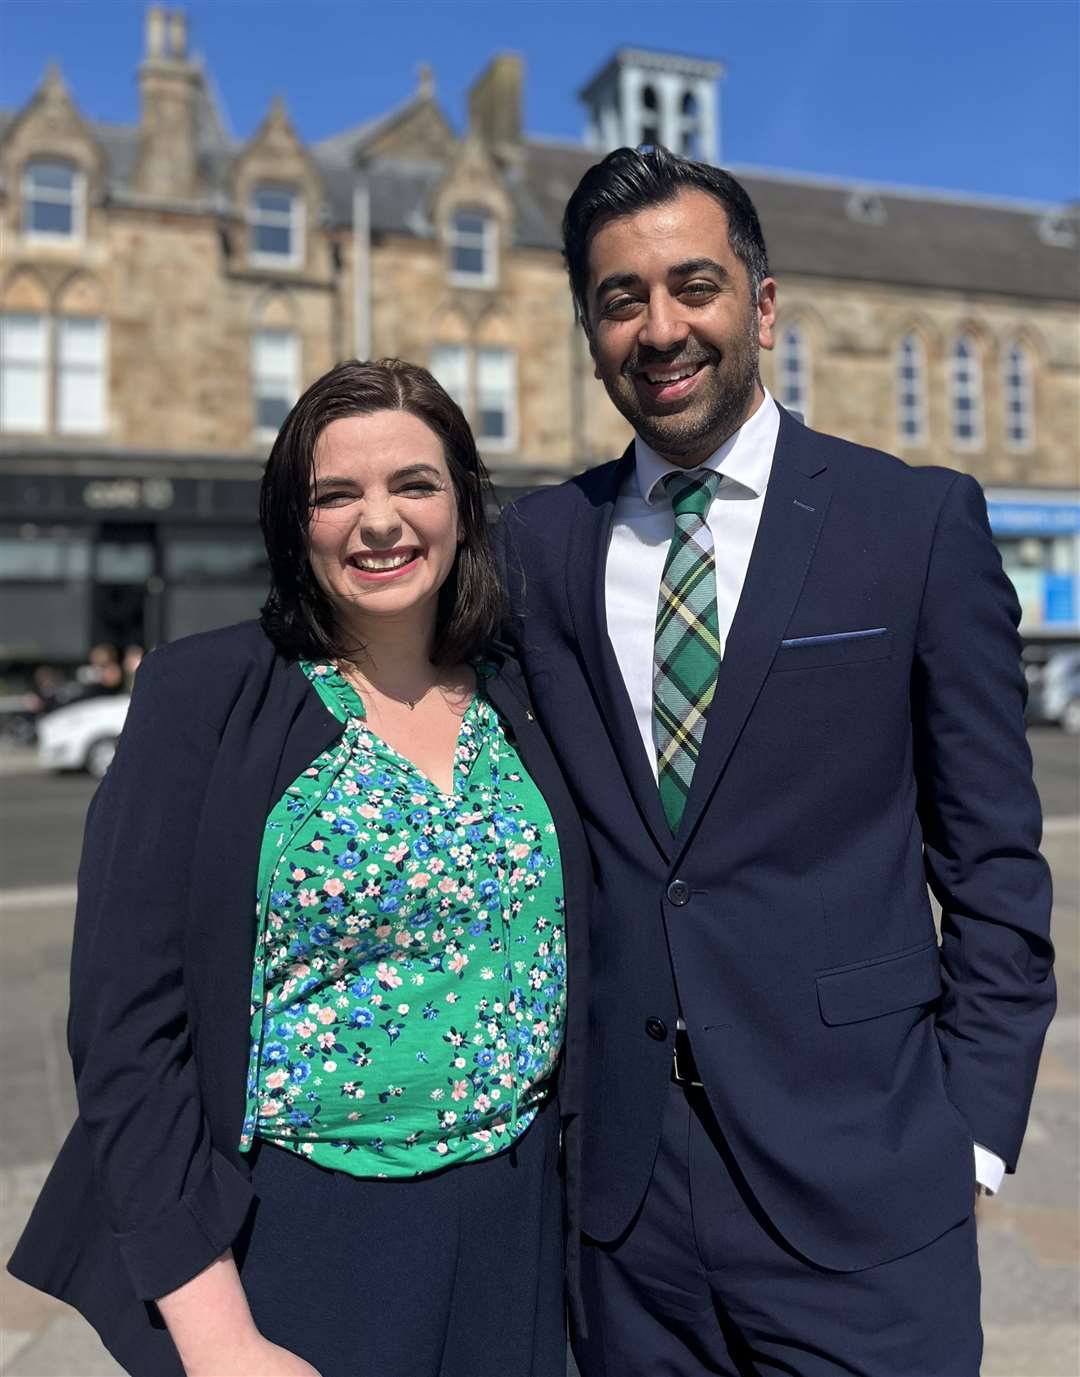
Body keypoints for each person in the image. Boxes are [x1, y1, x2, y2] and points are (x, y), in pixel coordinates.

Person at [500, 146, 1054, 1376]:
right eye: (620, 299)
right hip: (627, 1212)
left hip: (865, 1180)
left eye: (693, 285)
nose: (660, 328)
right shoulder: (539, 546)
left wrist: (965, 1139)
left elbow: (996, 866)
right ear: (591, 331)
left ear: (760, 302)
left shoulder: (911, 525)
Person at [9, 358, 589, 1377]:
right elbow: (124, 1030)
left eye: (414, 484)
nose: (380, 522)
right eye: (336, 494)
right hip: (305, 1234)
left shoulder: (524, 688)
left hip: (524, 1221)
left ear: (462, 505)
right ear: (296, 521)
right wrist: (219, 1335)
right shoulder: (209, 693)